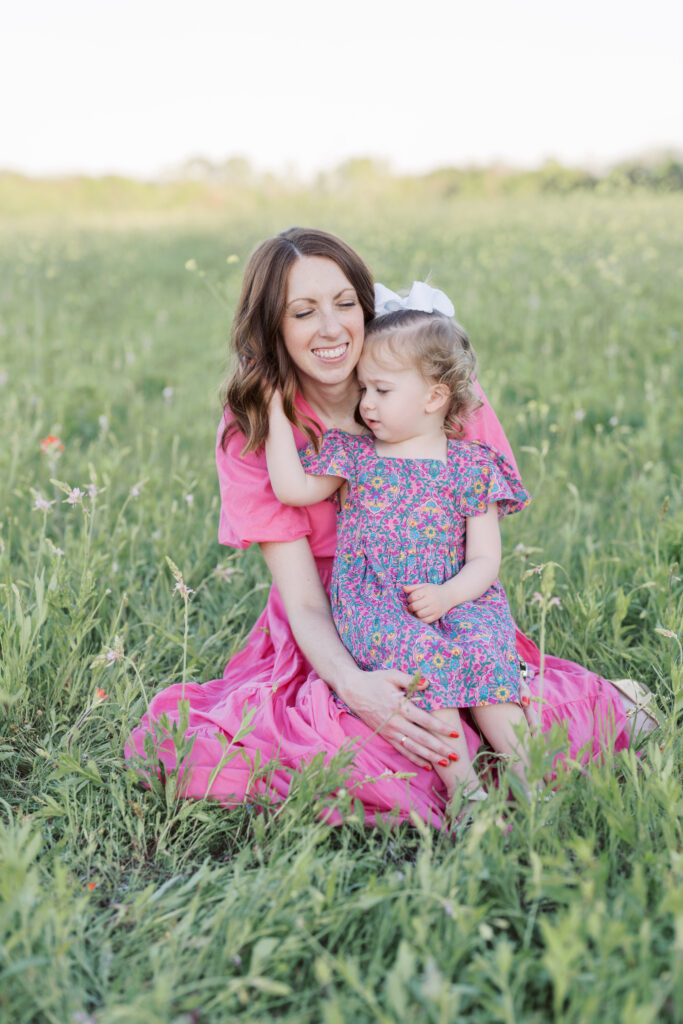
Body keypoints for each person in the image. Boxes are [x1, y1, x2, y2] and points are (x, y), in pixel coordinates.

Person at [125, 227, 655, 829]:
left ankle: (601, 712)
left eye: (345, 303)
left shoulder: (433, 385)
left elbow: (477, 544)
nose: (331, 328)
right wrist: (354, 685)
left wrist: (451, 601)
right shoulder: (258, 426)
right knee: (370, 748)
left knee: (499, 712)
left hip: (440, 606)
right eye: (303, 312)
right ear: (273, 329)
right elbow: (302, 598)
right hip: (341, 618)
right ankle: (465, 785)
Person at [265, 297, 534, 811]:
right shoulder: (355, 453)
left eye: (381, 390)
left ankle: (532, 781)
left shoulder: (473, 465)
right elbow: (293, 488)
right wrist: (275, 410)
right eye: (363, 389)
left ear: (435, 397)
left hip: (457, 598)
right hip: (377, 601)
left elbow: (485, 560)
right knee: (421, 660)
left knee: (489, 659)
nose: (366, 403)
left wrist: (450, 594)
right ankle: (465, 790)